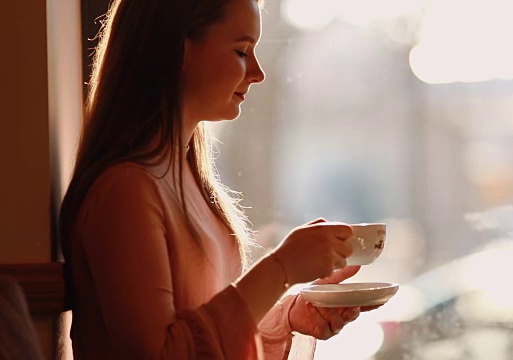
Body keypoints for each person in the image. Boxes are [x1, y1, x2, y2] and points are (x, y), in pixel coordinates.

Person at [58, 0, 375, 358]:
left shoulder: (185, 181)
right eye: (242, 51)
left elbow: (200, 329)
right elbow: (161, 354)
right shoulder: (125, 193)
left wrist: (286, 314)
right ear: (176, 48)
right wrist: (281, 267)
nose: (258, 72)